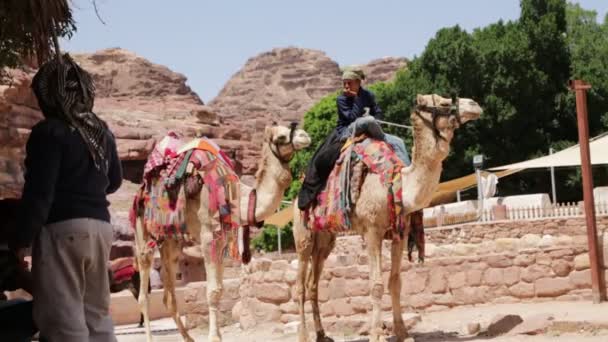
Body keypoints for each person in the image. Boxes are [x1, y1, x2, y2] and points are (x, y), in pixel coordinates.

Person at [9, 54, 123, 342]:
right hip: (101, 231)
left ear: (49, 96)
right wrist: (88, 193)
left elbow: (40, 194)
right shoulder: (102, 132)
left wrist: (21, 239)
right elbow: (115, 181)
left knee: (63, 322)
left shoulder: (49, 132)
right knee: (97, 317)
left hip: (62, 233)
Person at [298, 67, 409, 210]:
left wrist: (375, 119)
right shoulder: (341, 99)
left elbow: (378, 113)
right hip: (347, 131)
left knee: (399, 142)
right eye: (344, 83)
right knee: (367, 120)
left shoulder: (368, 95)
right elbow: (351, 118)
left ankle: (406, 174)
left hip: (370, 128)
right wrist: (356, 99)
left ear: (358, 82)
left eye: (349, 83)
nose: (346, 86)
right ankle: (381, 138)